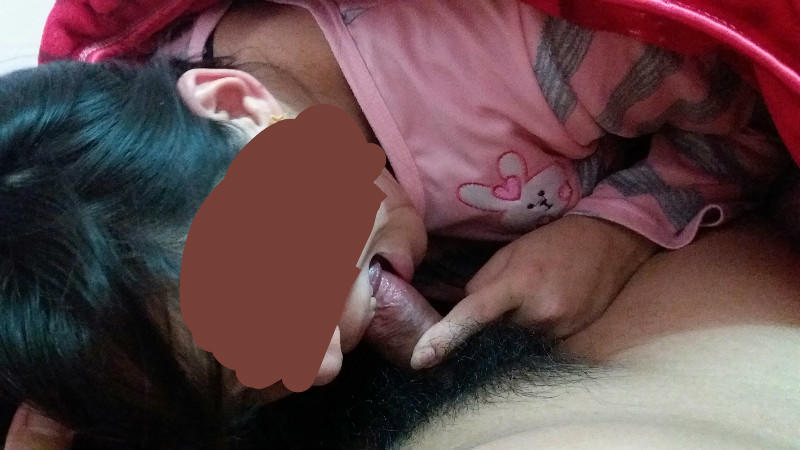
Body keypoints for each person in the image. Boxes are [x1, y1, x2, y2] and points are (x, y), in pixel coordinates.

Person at [1, 0, 798, 448]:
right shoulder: (137, 230)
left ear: (238, 104)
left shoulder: (539, 59)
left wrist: (615, 231)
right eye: (248, 390)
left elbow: (755, 118)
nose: (317, 369)